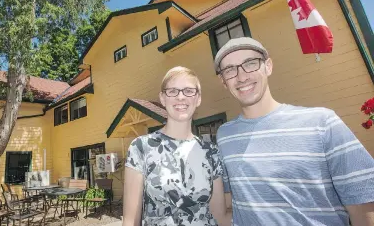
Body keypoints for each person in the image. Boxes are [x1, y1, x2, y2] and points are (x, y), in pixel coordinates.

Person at [213, 37, 374, 225]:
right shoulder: (224, 136)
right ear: (223, 82)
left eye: (250, 63)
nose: (241, 77)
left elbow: (363, 207)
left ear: (268, 66)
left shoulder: (322, 123)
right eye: (230, 70)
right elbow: (229, 203)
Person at [123, 66, 231, 226]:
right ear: (162, 98)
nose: (181, 97)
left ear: (198, 98)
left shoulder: (211, 152)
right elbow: (131, 221)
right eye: (173, 91)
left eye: (188, 91)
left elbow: (219, 217)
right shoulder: (141, 148)